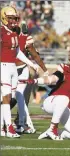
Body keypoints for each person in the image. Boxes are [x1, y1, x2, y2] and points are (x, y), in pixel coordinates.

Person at [0, 6, 38, 138]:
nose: (14, 21)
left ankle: (2, 127)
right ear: (4, 18)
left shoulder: (14, 32)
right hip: (3, 66)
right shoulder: (1, 31)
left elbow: (17, 51)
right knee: (6, 97)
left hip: (12, 68)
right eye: (10, 18)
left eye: (15, 18)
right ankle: (8, 127)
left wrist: (30, 63)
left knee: (10, 98)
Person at [10, 20, 48, 134]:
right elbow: (34, 54)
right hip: (10, 69)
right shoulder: (6, 36)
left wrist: (43, 68)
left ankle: (22, 123)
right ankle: (18, 123)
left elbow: (33, 54)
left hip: (20, 70)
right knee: (13, 97)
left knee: (18, 97)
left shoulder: (23, 38)